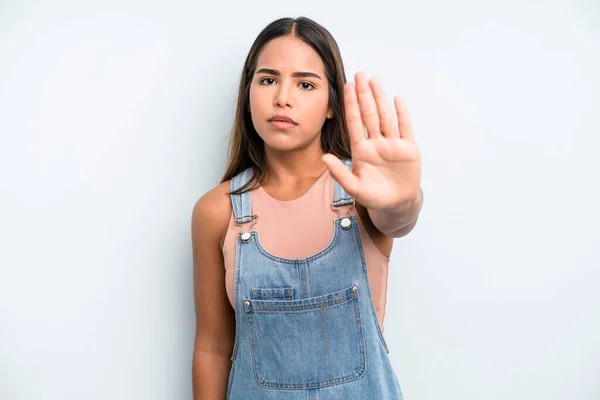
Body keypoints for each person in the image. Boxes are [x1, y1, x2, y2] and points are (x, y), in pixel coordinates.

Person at [191, 16, 423, 400]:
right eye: (267, 80)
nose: (283, 97)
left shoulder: (364, 194)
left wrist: (402, 198)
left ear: (332, 104)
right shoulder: (217, 212)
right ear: (247, 92)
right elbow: (213, 348)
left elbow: (399, 217)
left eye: (305, 84)